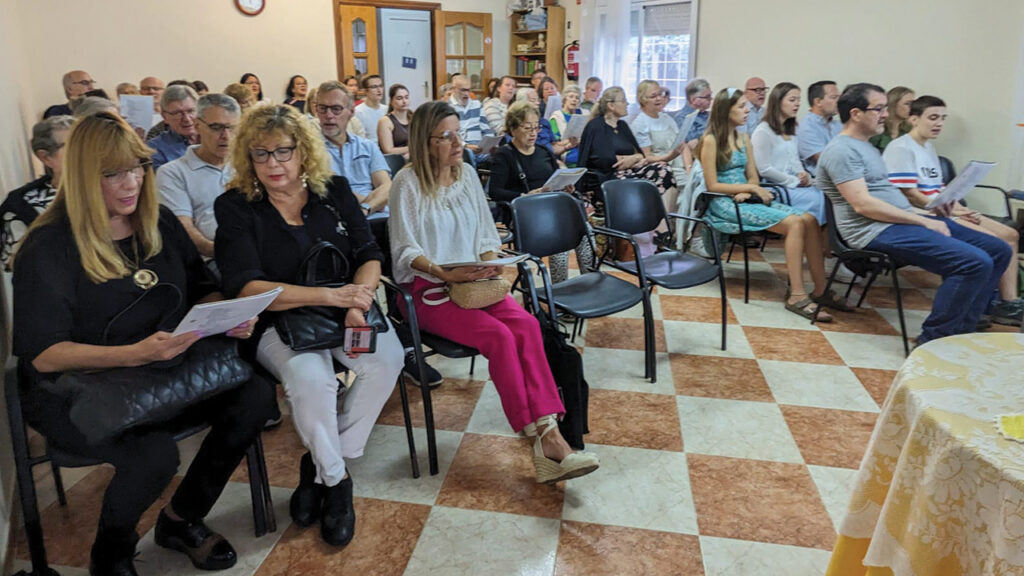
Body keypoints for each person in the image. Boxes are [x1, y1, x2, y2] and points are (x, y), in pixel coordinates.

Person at [12, 112, 272, 576]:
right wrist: (135, 354)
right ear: (82, 177)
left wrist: (223, 317)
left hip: (161, 369)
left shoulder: (158, 223)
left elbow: (199, 288)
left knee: (254, 397)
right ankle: (109, 554)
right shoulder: (48, 246)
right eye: (113, 173)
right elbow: (45, 353)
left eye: (137, 168)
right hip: (80, 389)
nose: (130, 183)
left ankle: (180, 519)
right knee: (153, 455)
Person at [214, 105, 403, 548]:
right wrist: (331, 296)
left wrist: (357, 300)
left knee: (388, 361)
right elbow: (245, 285)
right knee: (311, 380)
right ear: (248, 157)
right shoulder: (236, 205)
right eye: (261, 154)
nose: (274, 164)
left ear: (303, 151)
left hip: (343, 311)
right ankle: (337, 483)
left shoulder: (333, 190)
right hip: (275, 318)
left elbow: (368, 252)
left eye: (283, 151)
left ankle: (319, 466)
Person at [388, 101, 600, 483]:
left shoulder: (468, 174)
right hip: (428, 289)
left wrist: (490, 263)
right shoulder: (407, 183)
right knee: (500, 336)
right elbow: (406, 251)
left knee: (529, 326)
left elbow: (486, 234)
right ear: (424, 142)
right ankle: (544, 440)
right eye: (447, 137)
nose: (458, 144)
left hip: (474, 284)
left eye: (460, 134)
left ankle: (548, 430)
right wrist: (445, 273)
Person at [817, 83, 1012, 345]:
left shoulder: (867, 147)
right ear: (856, 113)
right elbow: (863, 205)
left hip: (900, 220)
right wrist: (923, 220)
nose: (886, 114)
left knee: (999, 249)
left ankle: (963, 329)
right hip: (873, 230)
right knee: (973, 262)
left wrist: (932, 210)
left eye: (885, 107)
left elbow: (892, 196)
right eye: (879, 109)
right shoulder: (841, 150)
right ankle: (935, 341)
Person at [315, 81, 444, 387]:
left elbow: (387, 187)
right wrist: (355, 205)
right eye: (322, 109)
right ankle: (346, 352)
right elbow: (323, 194)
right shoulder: (309, 150)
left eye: (336, 109)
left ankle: (408, 344)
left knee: (404, 251)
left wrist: (363, 208)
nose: (329, 116)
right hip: (334, 228)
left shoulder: (366, 146)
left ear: (350, 112)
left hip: (373, 220)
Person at [698, 88, 845, 320]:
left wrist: (752, 187)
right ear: (725, 111)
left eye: (747, 106)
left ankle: (820, 289)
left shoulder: (743, 137)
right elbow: (712, 185)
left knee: (810, 219)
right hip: (723, 202)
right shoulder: (710, 140)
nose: (747, 110)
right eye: (741, 106)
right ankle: (797, 295)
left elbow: (754, 176)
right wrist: (748, 188)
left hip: (747, 196)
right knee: (795, 223)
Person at [883, 95, 1022, 326]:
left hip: (943, 209)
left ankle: (1008, 302)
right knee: (993, 242)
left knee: (1011, 235)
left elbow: (942, 193)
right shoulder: (900, 148)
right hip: (922, 214)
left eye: (943, 118)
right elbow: (909, 194)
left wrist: (962, 210)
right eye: (933, 118)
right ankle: (981, 306)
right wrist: (953, 213)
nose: (939, 124)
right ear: (914, 119)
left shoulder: (928, 148)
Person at [490, 102, 592, 282]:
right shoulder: (505, 155)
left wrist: (566, 186)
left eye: (536, 127)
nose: (533, 133)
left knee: (585, 231)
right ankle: (560, 288)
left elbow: (555, 176)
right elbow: (495, 191)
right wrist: (524, 197)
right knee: (562, 234)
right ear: (512, 129)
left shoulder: (543, 150)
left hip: (551, 207)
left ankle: (589, 280)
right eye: (527, 128)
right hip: (525, 214)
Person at [578, 87, 678, 230]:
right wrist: (633, 159)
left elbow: (639, 154)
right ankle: (647, 229)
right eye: (624, 100)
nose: (627, 104)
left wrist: (633, 158)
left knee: (664, 169)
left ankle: (662, 225)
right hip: (606, 176)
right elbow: (607, 160)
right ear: (611, 106)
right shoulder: (596, 126)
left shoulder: (623, 125)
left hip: (629, 171)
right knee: (636, 184)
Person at [157, 93, 239, 259]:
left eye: (232, 128)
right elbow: (184, 231)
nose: (226, 136)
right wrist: (230, 255)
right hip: (210, 261)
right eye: (216, 127)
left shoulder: (247, 166)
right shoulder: (173, 172)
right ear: (197, 125)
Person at [750, 82, 827, 225]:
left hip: (793, 185)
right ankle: (810, 240)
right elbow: (764, 169)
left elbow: (795, 161)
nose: (797, 104)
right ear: (778, 102)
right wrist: (794, 181)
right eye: (792, 100)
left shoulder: (790, 130)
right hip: (776, 188)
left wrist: (803, 175)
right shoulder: (763, 131)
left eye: (798, 100)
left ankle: (820, 244)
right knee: (817, 199)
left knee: (826, 195)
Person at [1, 116, 73, 267]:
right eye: (75, 145)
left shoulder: (112, 189)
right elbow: (17, 266)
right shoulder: (23, 207)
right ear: (46, 157)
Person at [630, 80, 691, 194]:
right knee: (692, 186)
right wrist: (669, 157)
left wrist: (688, 167)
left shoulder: (666, 118)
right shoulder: (640, 123)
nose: (659, 99)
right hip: (664, 169)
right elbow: (647, 157)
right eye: (653, 96)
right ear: (643, 100)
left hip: (680, 166)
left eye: (660, 94)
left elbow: (683, 145)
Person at [147, 85, 200, 170]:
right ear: (165, 117)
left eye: (191, 111)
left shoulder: (213, 139)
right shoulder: (154, 148)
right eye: (177, 113)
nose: (186, 118)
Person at [796, 80, 841, 175]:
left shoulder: (838, 125)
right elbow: (827, 162)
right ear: (818, 102)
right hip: (824, 184)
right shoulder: (806, 128)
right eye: (834, 97)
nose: (839, 101)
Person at [449, 74, 496, 160]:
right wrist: (465, 145)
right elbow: (449, 135)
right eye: (463, 90)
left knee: (503, 154)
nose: (467, 94)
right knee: (468, 154)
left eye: (469, 90)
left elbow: (486, 129)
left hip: (480, 148)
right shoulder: (447, 107)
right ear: (453, 90)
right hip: (462, 148)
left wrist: (491, 143)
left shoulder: (477, 105)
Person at [869, 86, 914, 153]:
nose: (912, 108)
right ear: (893, 104)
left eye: (913, 104)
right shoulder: (876, 130)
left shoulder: (911, 131)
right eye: (907, 103)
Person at [671, 78, 713, 151]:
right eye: (707, 97)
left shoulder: (709, 114)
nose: (711, 99)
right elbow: (693, 144)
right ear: (693, 99)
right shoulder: (682, 118)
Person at [549, 83, 583, 166]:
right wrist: (570, 142)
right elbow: (555, 143)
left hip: (583, 153)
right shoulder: (556, 117)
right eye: (571, 97)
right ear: (564, 99)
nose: (574, 100)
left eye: (577, 98)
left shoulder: (582, 114)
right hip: (567, 155)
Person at [378, 84, 411, 157]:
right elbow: (388, 150)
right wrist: (413, 149)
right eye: (399, 98)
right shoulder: (385, 121)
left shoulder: (413, 117)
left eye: (406, 97)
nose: (404, 101)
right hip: (394, 162)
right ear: (391, 101)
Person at [354, 75, 386, 145]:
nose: (379, 90)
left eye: (381, 86)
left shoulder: (387, 109)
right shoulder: (358, 112)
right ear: (366, 91)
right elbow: (360, 140)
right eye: (374, 87)